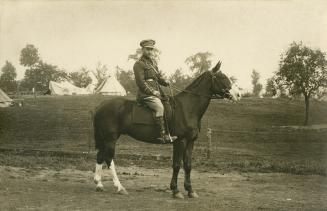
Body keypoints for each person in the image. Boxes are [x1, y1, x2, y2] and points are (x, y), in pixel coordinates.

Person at [133, 39, 177, 144]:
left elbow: (157, 77)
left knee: (168, 105)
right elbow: (140, 82)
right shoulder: (138, 64)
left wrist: (165, 82)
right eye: (147, 49)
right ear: (142, 49)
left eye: (151, 50)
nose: (150, 52)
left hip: (158, 92)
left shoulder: (152, 63)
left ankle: (169, 131)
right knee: (159, 107)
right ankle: (162, 135)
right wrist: (152, 92)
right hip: (145, 94)